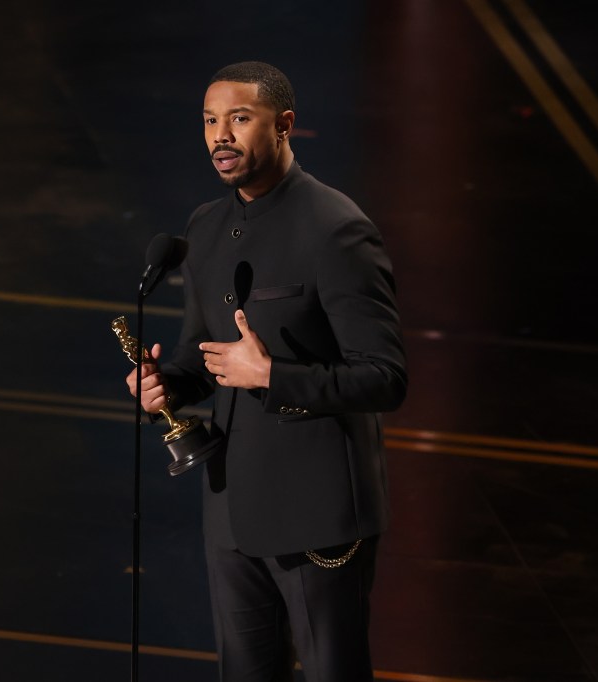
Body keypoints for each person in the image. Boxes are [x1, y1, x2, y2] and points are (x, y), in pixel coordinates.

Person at [126, 61, 407, 682]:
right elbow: (202, 353)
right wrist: (165, 385)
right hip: (230, 509)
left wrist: (273, 375)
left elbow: (385, 377)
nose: (219, 135)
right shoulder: (205, 226)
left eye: (239, 119)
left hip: (320, 516)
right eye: (209, 121)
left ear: (285, 126)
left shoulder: (336, 230)